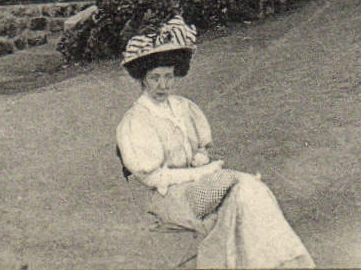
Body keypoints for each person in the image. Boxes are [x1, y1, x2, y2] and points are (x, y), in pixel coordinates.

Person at [116, 16, 314, 269]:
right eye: (155, 78)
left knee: (250, 189)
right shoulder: (136, 120)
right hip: (168, 198)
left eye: (169, 77)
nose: (163, 85)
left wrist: (201, 159)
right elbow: (154, 178)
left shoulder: (184, 107)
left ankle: (284, 264)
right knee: (237, 200)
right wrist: (201, 173)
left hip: (200, 186)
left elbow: (200, 148)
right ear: (142, 79)